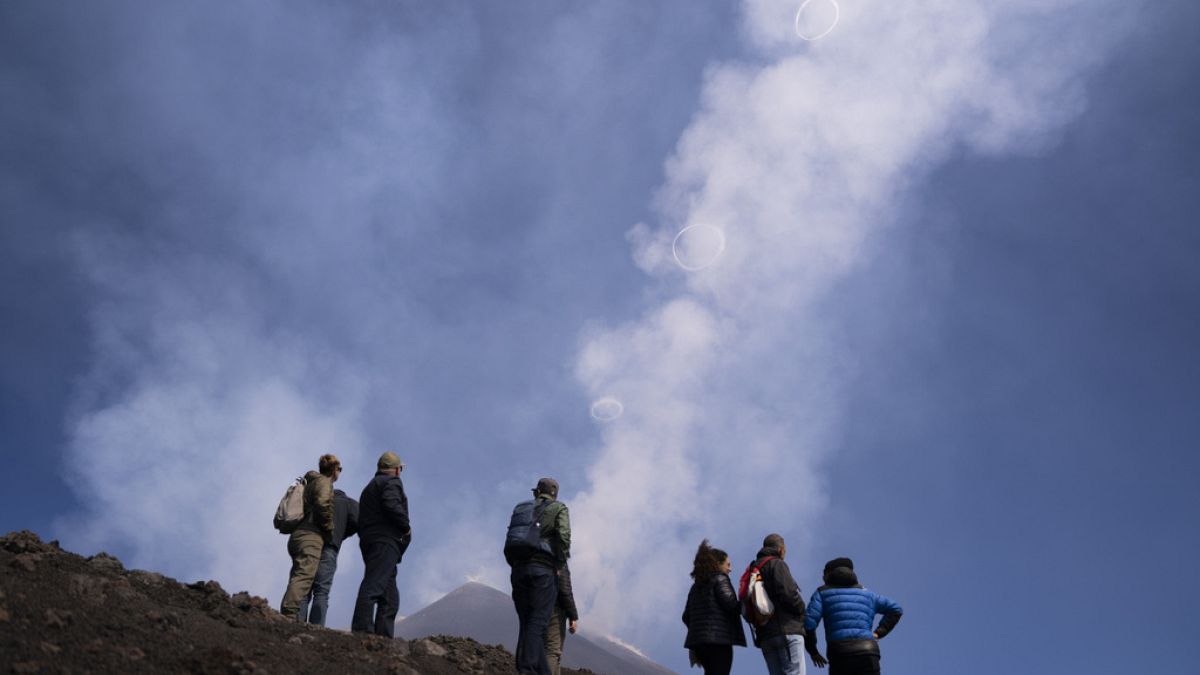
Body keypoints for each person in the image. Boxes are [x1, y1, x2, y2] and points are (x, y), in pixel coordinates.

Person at [505, 477, 570, 675]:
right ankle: (528, 670)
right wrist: (559, 564)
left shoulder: (521, 507)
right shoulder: (559, 508)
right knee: (538, 622)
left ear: (536, 492)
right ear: (554, 493)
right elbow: (564, 536)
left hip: (518, 570)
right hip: (543, 570)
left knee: (527, 623)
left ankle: (539, 671)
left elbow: (511, 539)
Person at [804, 558, 902, 675]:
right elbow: (896, 609)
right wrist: (878, 633)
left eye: (823, 575)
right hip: (868, 651)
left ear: (829, 574)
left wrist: (813, 651)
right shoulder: (868, 594)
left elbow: (808, 624)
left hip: (840, 652)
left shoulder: (822, 593)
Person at [350, 451, 411, 637]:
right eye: (400, 468)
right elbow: (391, 505)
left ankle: (382, 637)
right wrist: (405, 527)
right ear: (396, 470)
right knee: (374, 585)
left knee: (390, 596)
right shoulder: (391, 482)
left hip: (371, 542)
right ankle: (362, 630)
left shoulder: (369, 488)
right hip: (385, 541)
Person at [298, 454, 359, 625]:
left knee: (303, 587)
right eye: (340, 469)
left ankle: (296, 625)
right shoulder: (348, 503)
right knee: (321, 591)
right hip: (330, 547)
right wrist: (340, 534)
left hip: (310, 542)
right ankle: (316, 630)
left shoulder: (310, 491)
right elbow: (357, 522)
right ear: (334, 470)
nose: (340, 472)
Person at [279, 456, 335, 619]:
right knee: (304, 576)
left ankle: (289, 612)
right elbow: (323, 503)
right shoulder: (324, 482)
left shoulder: (309, 482)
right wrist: (329, 529)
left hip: (297, 535)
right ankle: (288, 615)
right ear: (334, 470)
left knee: (297, 575)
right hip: (311, 537)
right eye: (339, 469)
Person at [745, 533, 809, 675]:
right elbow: (788, 593)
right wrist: (802, 610)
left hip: (766, 636)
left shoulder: (753, 569)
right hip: (786, 631)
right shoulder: (777, 564)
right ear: (780, 549)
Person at [682, 540, 747, 675]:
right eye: (727, 564)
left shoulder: (696, 586)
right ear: (718, 564)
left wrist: (699, 632)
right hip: (719, 642)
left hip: (699, 644)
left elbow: (686, 616)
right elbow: (731, 605)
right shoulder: (720, 579)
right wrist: (748, 601)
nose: (730, 569)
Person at [543, 561, 579, 675]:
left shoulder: (533, 552)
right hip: (553, 609)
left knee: (544, 649)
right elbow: (564, 589)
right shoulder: (557, 556)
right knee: (553, 651)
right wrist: (572, 616)